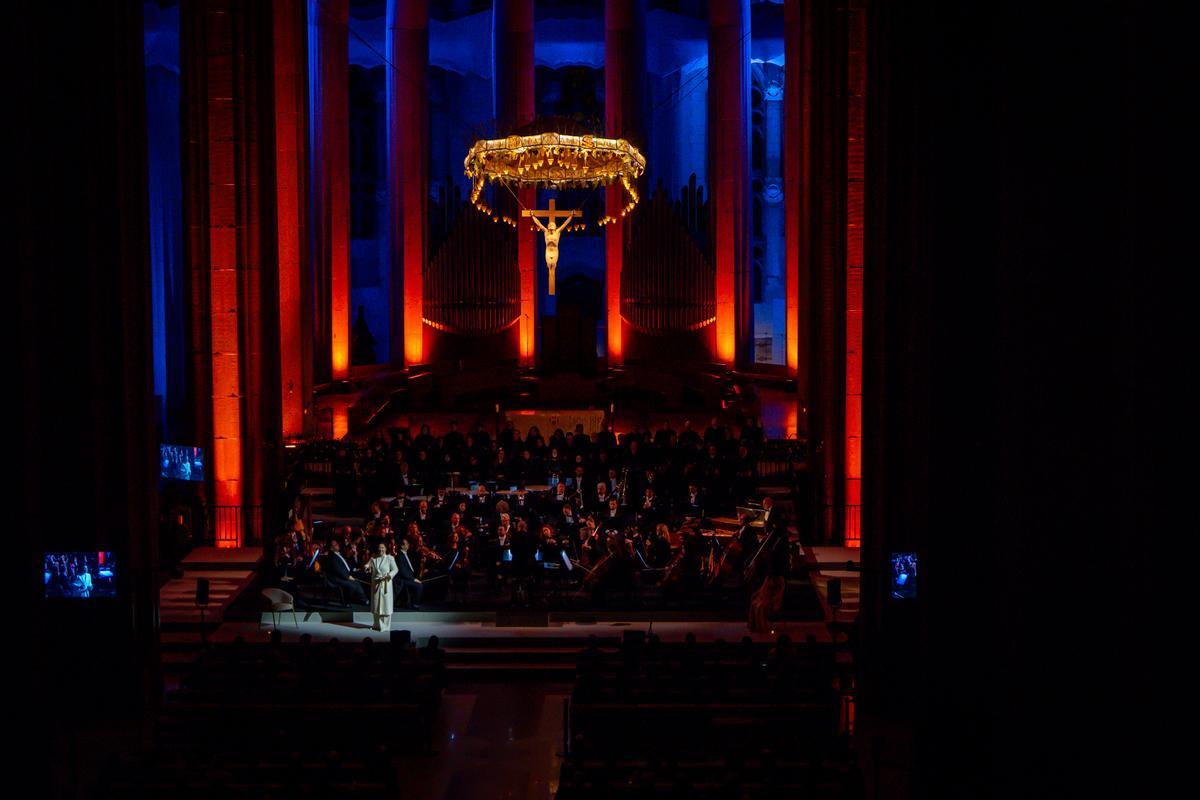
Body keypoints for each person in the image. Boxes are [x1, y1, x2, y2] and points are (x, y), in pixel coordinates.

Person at [366, 543, 398, 632]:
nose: (381, 549)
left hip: (385, 584)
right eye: (379, 547)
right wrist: (367, 568)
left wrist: (389, 575)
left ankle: (385, 626)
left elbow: (395, 569)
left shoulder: (389, 558)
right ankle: (376, 625)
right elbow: (367, 566)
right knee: (376, 605)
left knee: (385, 605)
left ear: (386, 549)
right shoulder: (374, 558)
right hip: (376, 584)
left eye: (383, 547)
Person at [393, 538, 423, 610]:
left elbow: (411, 567)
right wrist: (413, 579)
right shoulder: (399, 556)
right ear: (402, 546)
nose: (408, 545)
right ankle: (415, 605)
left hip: (408, 577)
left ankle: (412, 602)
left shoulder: (406, 554)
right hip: (402, 579)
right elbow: (403, 572)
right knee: (419, 585)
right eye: (407, 544)